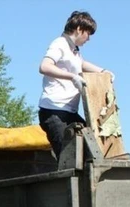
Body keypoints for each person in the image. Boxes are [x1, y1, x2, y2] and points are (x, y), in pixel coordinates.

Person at [38, 10, 114, 159]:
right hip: (54, 112)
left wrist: (104, 72)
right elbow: (44, 66)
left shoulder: (74, 50)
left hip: (69, 113)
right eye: (88, 34)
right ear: (79, 29)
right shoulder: (59, 44)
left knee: (93, 150)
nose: (89, 39)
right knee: (69, 159)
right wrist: (72, 77)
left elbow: (81, 64)